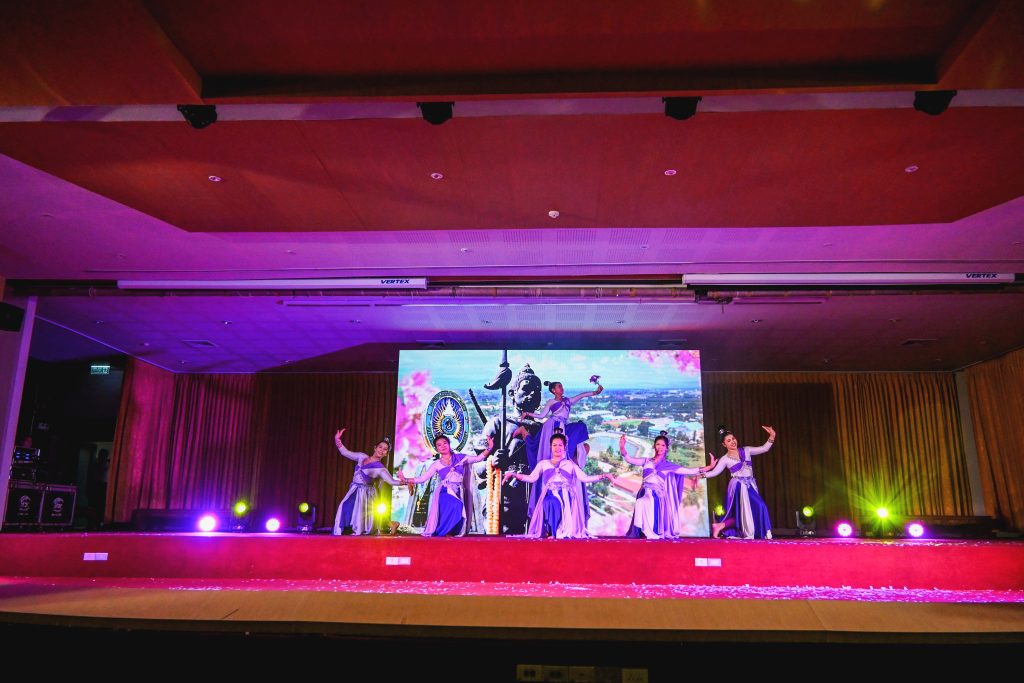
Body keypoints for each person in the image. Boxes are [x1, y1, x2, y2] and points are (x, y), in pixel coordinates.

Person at [504, 431, 613, 539]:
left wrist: (604, 476)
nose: (557, 448)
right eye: (554, 445)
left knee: (553, 503)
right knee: (549, 502)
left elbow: (584, 478)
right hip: (550, 495)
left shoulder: (570, 464)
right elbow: (531, 478)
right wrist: (514, 474)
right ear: (550, 447)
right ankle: (552, 532)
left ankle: (555, 533)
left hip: (566, 498)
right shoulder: (543, 464)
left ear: (565, 447)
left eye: (560, 445)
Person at [619, 431, 715, 539]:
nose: (660, 447)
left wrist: (709, 467)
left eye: (663, 445)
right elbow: (629, 459)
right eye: (658, 444)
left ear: (666, 448)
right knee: (641, 502)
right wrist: (622, 447)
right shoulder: (646, 461)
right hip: (644, 492)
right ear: (654, 446)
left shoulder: (669, 466)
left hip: (657, 496)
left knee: (644, 503)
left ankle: (651, 533)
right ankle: (644, 532)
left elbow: (690, 471)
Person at [399, 434, 494, 537]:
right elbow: (422, 479)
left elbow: (478, 458)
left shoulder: (461, 458)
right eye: (439, 445)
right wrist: (406, 479)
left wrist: (490, 447)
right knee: (457, 505)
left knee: (457, 508)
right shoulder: (436, 464)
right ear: (437, 449)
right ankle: (443, 532)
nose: (443, 446)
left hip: (457, 491)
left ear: (449, 444)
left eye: (445, 443)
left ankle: (447, 532)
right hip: (445, 491)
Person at [697, 425, 777, 539]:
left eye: (733, 439)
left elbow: (764, 448)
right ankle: (766, 531)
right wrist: (702, 475)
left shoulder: (746, 450)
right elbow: (715, 472)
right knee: (759, 506)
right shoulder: (725, 459)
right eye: (729, 441)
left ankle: (720, 526)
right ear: (724, 444)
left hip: (750, 484)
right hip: (739, 486)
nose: (732, 442)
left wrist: (772, 436)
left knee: (746, 511)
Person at [333, 428, 400, 536]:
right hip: (354, 489)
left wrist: (408, 482)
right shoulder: (362, 456)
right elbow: (345, 452)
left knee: (364, 513)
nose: (381, 450)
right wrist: (337, 440)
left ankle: (389, 524)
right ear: (375, 448)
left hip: (366, 492)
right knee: (346, 506)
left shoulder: (380, 468)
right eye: (380, 447)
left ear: (386, 454)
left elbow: (392, 482)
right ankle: (348, 530)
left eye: (385, 449)